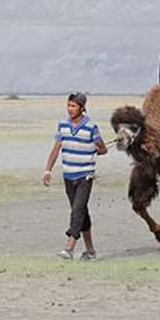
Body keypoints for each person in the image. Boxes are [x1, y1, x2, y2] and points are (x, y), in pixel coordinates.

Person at [43, 93, 107, 261]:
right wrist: (47, 170)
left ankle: (69, 247)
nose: (70, 109)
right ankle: (91, 250)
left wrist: (92, 150)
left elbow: (103, 149)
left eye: (73, 106)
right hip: (68, 175)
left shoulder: (91, 127)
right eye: (68, 105)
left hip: (85, 175)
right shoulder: (63, 126)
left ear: (82, 108)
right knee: (81, 212)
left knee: (77, 210)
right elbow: (55, 150)